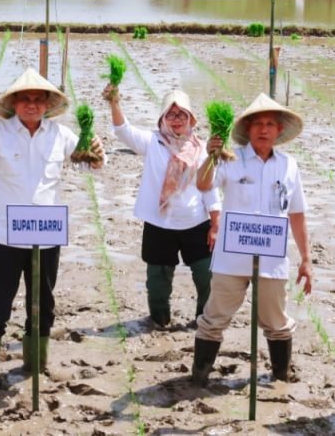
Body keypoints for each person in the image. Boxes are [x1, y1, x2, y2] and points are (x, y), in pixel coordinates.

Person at [0, 68, 104, 387]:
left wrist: (95, 150)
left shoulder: (60, 135)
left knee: (42, 308)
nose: (31, 105)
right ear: (13, 103)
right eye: (24, 99)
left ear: (47, 104)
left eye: (38, 100)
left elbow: (89, 164)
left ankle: (34, 369)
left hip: (46, 236)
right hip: (5, 237)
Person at [191, 93, 312, 386]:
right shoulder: (231, 160)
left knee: (276, 322)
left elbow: (296, 213)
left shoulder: (288, 166)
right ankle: (199, 375)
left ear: (279, 131)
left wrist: (306, 259)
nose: (263, 129)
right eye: (257, 124)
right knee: (214, 318)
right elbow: (203, 183)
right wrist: (210, 156)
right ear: (247, 130)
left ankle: (281, 375)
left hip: (271, 258)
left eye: (270, 124)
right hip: (232, 257)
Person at [103, 84, 219, 328]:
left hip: (195, 222)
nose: (176, 120)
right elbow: (123, 130)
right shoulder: (152, 142)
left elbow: (209, 187)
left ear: (190, 118)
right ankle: (159, 318)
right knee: (157, 279)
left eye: (181, 114)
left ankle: (203, 319)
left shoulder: (201, 148)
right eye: (171, 114)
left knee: (206, 274)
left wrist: (215, 223)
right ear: (163, 118)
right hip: (160, 222)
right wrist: (115, 103)